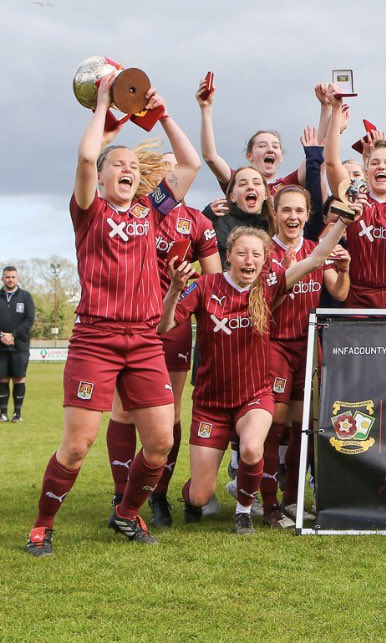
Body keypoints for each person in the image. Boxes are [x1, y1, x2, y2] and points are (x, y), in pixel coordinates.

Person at [25, 74, 200, 556]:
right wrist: (102, 105)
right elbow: (85, 156)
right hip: (95, 339)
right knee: (77, 446)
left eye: (130, 164)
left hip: (145, 340)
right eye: (115, 164)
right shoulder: (89, 211)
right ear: (101, 178)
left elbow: (190, 163)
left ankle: (126, 514)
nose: (125, 168)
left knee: (161, 445)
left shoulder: (152, 209)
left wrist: (162, 113)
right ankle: (43, 524)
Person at [161, 216, 352, 534]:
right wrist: (173, 291)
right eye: (241, 253)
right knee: (200, 494)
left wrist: (344, 221)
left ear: (265, 261)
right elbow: (163, 326)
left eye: (256, 254)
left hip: (254, 395)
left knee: (252, 448)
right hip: (211, 403)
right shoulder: (205, 287)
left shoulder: (269, 286)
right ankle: (191, 495)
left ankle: (243, 511)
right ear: (229, 256)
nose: (248, 260)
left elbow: (317, 257)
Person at [105, 147, 223, 528]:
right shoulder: (138, 214)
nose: (174, 175)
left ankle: (156, 495)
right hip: (130, 322)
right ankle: (121, 492)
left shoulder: (198, 223)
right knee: (123, 410)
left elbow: (213, 278)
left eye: (178, 169)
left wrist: (181, 302)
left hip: (171, 328)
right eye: (165, 169)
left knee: (169, 412)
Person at [263, 185, 350, 526]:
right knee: (274, 426)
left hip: (308, 345)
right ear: (275, 214)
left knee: (304, 428)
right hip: (273, 344)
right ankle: (268, 504)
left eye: (299, 211)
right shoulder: (265, 250)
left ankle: (292, 502)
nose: (293, 217)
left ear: (308, 214)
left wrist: (343, 270)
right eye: (286, 210)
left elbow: (339, 292)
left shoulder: (316, 249)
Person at [323, 88, 386, 309]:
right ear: (366, 170)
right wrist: (334, 110)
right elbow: (331, 161)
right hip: (360, 298)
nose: (381, 166)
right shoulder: (354, 200)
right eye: (375, 163)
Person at [197, 76, 322, 191]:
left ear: (281, 156)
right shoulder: (238, 181)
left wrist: (326, 107)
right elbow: (210, 157)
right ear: (249, 155)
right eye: (262, 146)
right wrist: (206, 109)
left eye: (275, 146)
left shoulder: (288, 185)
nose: (270, 150)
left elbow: (316, 153)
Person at [0, 266, 35, 422]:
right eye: (7, 277)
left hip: (20, 345)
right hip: (0, 345)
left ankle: (17, 414)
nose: (10, 280)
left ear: (17, 278)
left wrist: (13, 335)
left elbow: (29, 319)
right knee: (2, 378)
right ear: (2, 278)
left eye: (13, 277)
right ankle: (3, 413)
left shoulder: (26, 297)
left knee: (19, 378)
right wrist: (2, 335)